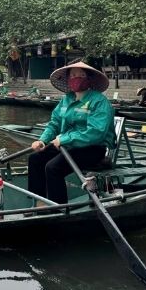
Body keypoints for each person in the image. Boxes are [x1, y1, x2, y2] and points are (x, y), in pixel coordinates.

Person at [28, 61, 116, 204]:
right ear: (69, 79)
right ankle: (40, 201)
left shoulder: (99, 101)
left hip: (92, 148)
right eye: (73, 75)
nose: (77, 78)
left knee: (53, 167)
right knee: (35, 159)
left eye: (81, 75)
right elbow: (54, 123)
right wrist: (42, 140)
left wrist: (65, 139)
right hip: (67, 146)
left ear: (89, 79)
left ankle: (59, 207)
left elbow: (96, 133)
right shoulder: (66, 99)